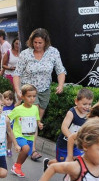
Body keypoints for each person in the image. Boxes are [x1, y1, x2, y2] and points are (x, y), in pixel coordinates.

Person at [13, 28, 66, 161]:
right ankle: (33, 150)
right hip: (29, 91)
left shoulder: (53, 52)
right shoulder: (25, 54)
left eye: (40, 43)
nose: (37, 45)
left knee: (35, 121)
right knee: (33, 118)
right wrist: (18, 90)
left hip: (44, 90)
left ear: (45, 42)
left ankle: (21, 139)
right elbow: (17, 73)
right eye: (35, 42)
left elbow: (60, 70)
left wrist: (60, 85)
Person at [44, 88, 93, 169]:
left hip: (77, 145)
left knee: (79, 160)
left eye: (89, 104)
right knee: (61, 162)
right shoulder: (71, 113)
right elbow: (64, 127)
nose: (87, 107)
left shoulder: (89, 114)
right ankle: (48, 163)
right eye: (84, 104)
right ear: (76, 101)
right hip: (63, 144)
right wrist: (71, 138)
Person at [9, 84, 43, 178]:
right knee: (26, 148)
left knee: (26, 153)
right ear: (23, 97)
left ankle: (17, 167)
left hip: (30, 135)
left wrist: (39, 123)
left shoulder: (35, 108)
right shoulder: (18, 109)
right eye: (29, 96)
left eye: (34, 96)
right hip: (19, 134)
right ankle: (16, 166)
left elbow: (37, 118)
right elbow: (8, 118)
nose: (32, 98)